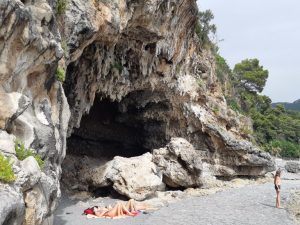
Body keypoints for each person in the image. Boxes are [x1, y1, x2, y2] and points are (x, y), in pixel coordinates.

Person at [85, 199, 153, 219]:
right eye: (97, 207)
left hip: (110, 212)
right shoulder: (96, 211)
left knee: (130, 200)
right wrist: (103, 211)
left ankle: (131, 211)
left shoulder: (98, 210)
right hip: (109, 213)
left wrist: (105, 209)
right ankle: (130, 213)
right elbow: (99, 216)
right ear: (94, 209)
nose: (98, 207)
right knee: (119, 204)